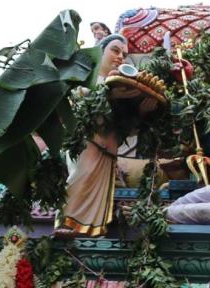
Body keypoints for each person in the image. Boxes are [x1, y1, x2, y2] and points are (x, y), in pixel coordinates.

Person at [58, 34, 165, 236]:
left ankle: (89, 229)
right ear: (100, 51)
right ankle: (68, 223)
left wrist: (142, 111)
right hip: (86, 143)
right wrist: (108, 92)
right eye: (115, 50)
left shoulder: (119, 85)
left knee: (96, 191)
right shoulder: (86, 79)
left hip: (108, 150)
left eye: (123, 54)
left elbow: (126, 129)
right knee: (80, 178)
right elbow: (79, 105)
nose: (120, 57)